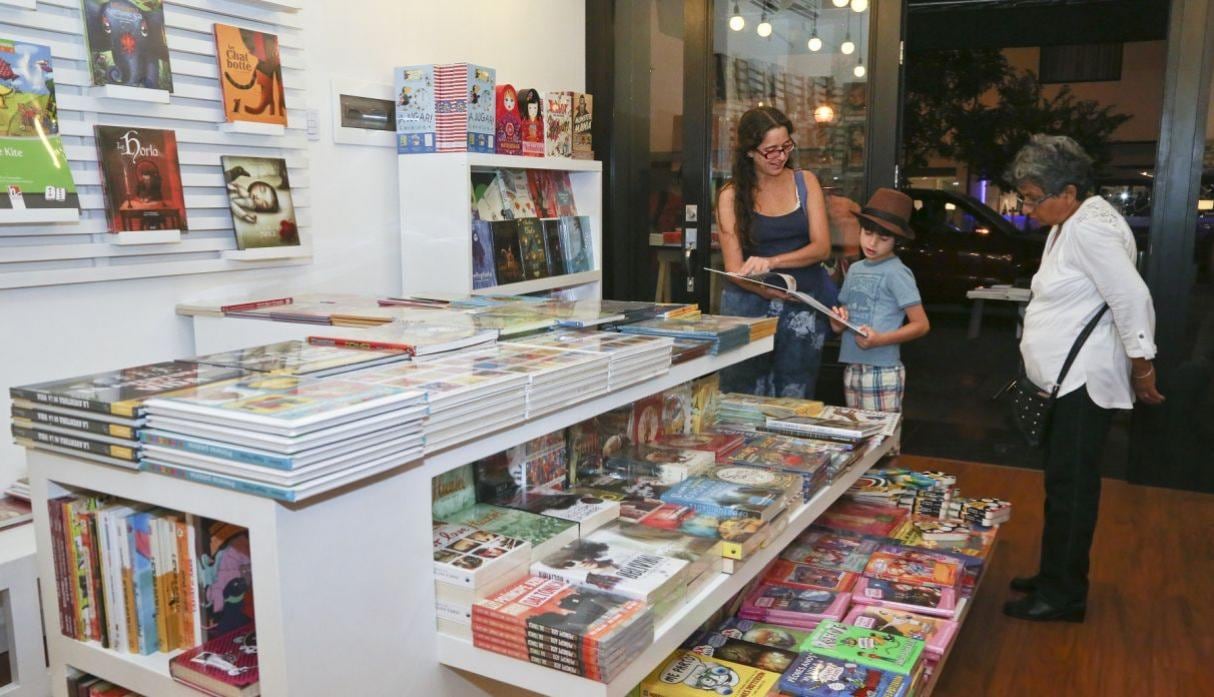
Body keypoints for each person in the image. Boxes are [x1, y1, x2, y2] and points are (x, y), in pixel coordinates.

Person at [1002, 134, 1164, 622]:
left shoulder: (1089, 228)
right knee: (1061, 485)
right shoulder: (1070, 222)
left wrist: (1144, 367)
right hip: (1063, 383)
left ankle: (1064, 595)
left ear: (1068, 192)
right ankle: (1055, 574)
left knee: (1072, 490)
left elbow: (1131, 299)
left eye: (1033, 198)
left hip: (1081, 386)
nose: (1026, 207)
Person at [717, 106, 835, 399]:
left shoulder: (804, 182)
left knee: (795, 392)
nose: (780, 156)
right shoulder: (731, 195)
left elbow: (822, 247)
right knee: (742, 395)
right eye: (770, 150)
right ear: (749, 152)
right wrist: (765, 290)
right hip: (748, 306)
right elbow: (733, 267)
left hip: (802, 301)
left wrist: (772, 262)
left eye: (785, 147)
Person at [828, 188, 930, 413]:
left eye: (883, 238)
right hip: (852, 366)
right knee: (859, 438)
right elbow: (845, 312)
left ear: (897, 240)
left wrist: (881, 339)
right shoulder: (854, 269)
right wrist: (837, 321)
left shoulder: (897, 272)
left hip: (883, 370)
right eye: (866, 232)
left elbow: (921, 325)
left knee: (881, 441)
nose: (872, 243)